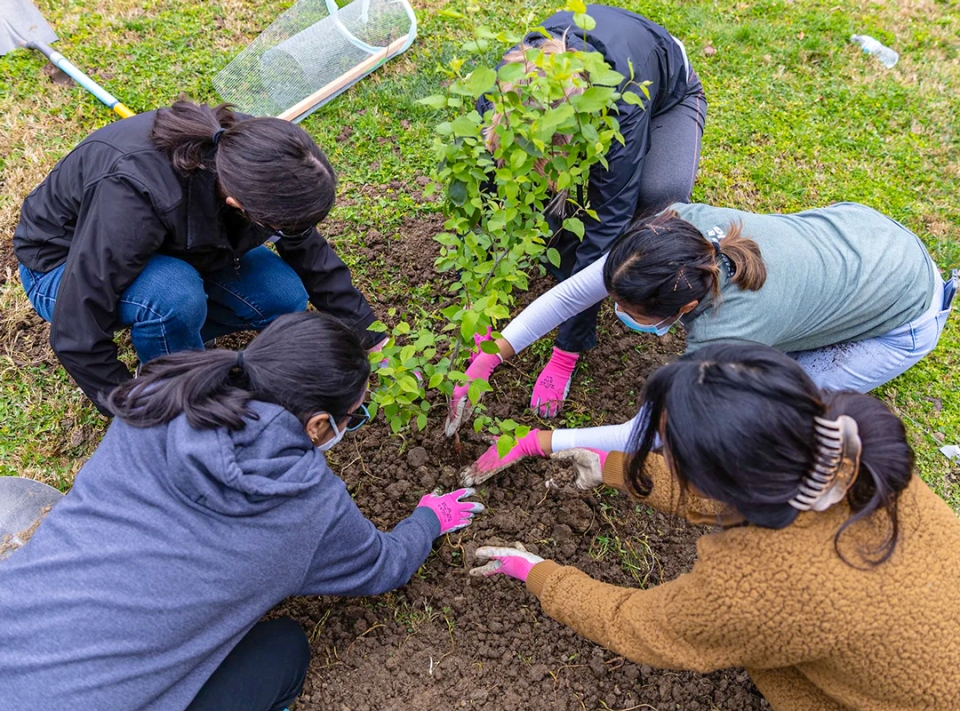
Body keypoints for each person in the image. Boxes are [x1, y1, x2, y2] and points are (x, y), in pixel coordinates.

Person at [0, 312, 482, 711]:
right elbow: (382, 566)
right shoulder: (307, 503)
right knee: (283, 649)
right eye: (352, 416)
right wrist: (429, 519)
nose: (350, 425)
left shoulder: (158, 400)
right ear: (318, 425)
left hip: (14, 627)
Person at [470, 343, 960, 711]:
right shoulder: (856, 458)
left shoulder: (757, 589)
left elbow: (640, 624)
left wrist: (538, 574)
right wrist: (616, 469)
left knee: (779, 667)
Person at [449, 202, 957, 483]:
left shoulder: (723, 335)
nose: (618, 312)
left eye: (628, 311)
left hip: (903, 316)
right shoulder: (676, 232)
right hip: (870, 237)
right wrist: (492, 354)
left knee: (779, 403)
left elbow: (657, 432)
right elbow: (570, 295)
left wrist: (539, 441)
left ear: (686, 310)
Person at [14, 100, 385, 415]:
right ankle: (172, 382)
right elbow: (75, 328)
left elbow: (304, 243)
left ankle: (168, 334)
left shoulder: (255, 156)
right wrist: (133, 409)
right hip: (60, 266)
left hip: (168, 245)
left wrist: (366, 334)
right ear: (238, 204)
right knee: (174, 295)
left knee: (282, 294)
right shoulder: (133, 191)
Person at [475, 5, 707, 417]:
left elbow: (607, 223)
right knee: (544, 210)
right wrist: (482, 304)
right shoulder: (503, 91)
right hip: (593, 93)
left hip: (665, 93)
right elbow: (486, 189)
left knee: (655, 199)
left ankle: (593, 317)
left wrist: (566, 350)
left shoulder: (621, 107)